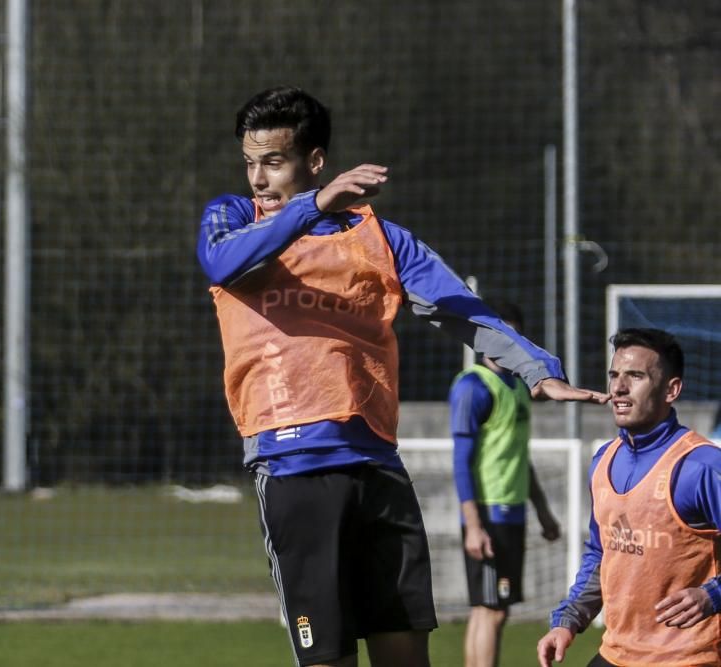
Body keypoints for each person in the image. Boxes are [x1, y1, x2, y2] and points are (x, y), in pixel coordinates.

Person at [197, 85, 607, 667]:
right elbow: (219, 261)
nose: (258, 178)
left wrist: (535, 370)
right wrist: (310, 207)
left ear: (314, 161)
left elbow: (460, 305)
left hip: (379, 468)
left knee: (406, 653)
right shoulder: (233, 219)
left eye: (274, 161)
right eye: (250, 163)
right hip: (295, 468)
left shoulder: (381, 238)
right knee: (328, 658)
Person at [537, 328, 721, 667]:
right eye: (614, 375)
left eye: (635, 376)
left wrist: (713, 594)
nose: (619, 388)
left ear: (671, 390)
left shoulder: (702, 466)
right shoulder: (604, 459)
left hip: (686, 658)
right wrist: (568, 621)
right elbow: (600, 552)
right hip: (617, 653)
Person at [449, 301, 561, 667]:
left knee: (494, 608)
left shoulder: (517, 387)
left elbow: (518, 457)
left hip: (512, 512)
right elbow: (461, 461)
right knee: (490, 609)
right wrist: (474, 525)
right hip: (488, 513)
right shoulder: (473, 387)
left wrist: (542, 510)